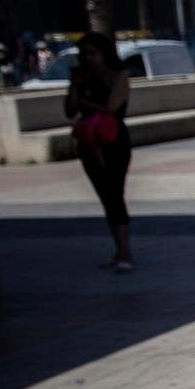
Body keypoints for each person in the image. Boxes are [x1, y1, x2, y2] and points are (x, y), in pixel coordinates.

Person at [63, 32, 136, 273]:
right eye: (84, 54)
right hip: (89, 143)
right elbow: (69, 111)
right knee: (105, 196)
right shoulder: (81, 80)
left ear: (104, 53)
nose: (88, 58)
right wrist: (75, 85)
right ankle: (118, 250)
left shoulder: (118, 78)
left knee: (115, 193)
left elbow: (110, 109)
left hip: (114, 141)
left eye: (93, 53)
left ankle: (125, 252)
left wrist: (84, 104)